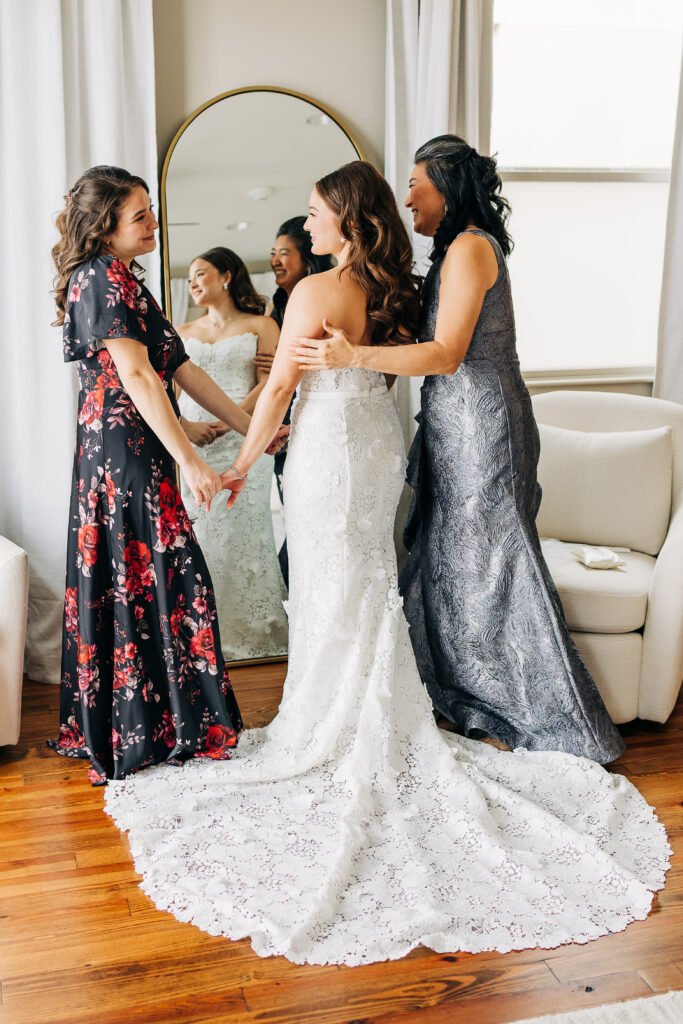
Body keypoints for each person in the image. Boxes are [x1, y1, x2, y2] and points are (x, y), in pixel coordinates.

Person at [105, 161, 668, 967]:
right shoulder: (401, 285)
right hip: (376, 450)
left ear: (343, 218)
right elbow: (416, 362)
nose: (303, 229)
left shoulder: (313, 294)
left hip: (331, 451)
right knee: (366, 584)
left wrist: (241, 461)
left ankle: (326, 729)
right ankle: (375, 717)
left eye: (312, 213)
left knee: (334, 591)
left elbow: (276, 398)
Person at [292, 136, 625, 765]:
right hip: (451, 421)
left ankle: (535, 711)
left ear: (447, 187)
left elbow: (446, 356)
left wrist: (351, 356)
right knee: (451, 557)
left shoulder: (472, 248)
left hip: (483, 426)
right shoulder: (452, 251)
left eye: (417, 183)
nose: (408, 196)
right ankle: (468, 696)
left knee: (492, 560)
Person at [47, 165, 285, 785]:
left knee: (155, 572)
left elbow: (182, 369)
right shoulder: (97, 278)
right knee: (152, 569)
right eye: (140, 216)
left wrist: (255, 427)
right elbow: (139, 377)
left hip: (138, 442)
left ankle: (167, 720)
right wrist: (192, 460)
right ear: (105, 226)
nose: (153, 224)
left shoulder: (127, 280)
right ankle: (155, 725)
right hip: (121, 448)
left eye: (151, 212)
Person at [175, 248, 288, 661]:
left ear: (226, 276)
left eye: (201, 274)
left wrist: (234, 420)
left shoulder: (262, 325)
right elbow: (168, 393)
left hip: (246, 441)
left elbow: (273, 381)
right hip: (195, 447)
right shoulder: (182, 330)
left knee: (247, 533)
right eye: (189, 278)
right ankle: (201, 638)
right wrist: (187, 429)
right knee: (200, 535)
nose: (193, 283)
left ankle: (256, 635)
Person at [266, 217, 333, 585]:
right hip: (285, 428)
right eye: (272, 254)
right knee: (295, 515)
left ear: (306, 258)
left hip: (318, 419)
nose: (275, 260)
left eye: (284, 253)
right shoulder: (275, 310)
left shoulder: (321, 297)